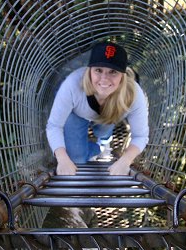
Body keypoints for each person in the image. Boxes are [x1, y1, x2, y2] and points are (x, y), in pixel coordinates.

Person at [46, 41, 149, 176]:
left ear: (123, 76)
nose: (104, 79)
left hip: (110, 114)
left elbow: (141, 136)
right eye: (98, 70)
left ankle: (103, 144)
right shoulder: (72, 85)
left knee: (103, 131)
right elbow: (54, 125)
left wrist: (125, 160)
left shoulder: (133, 93)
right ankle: (95, 149)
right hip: (76, 113)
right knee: (77, 160)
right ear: (89, 70)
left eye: (113, 72)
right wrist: (62, 158)